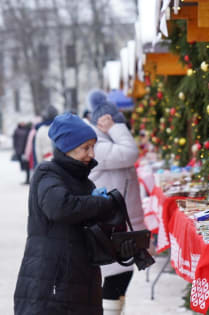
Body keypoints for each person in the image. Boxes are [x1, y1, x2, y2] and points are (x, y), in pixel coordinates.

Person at [14, 113, 123, 315]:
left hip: (81, 275)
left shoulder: (84, 181)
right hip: (52, 278)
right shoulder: (47, 173)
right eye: (85, 148)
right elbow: (59, 207)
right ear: (67, 148)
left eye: (93, 147)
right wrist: (101, 203)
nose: (91, 154)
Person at [88, 90, 146, 315]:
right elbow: (131, 152)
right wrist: (116, 128)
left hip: (122, 222)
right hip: (111, 224)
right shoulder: (97, 146)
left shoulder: (106, 143)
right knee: (115, 275)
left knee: (123, 273)